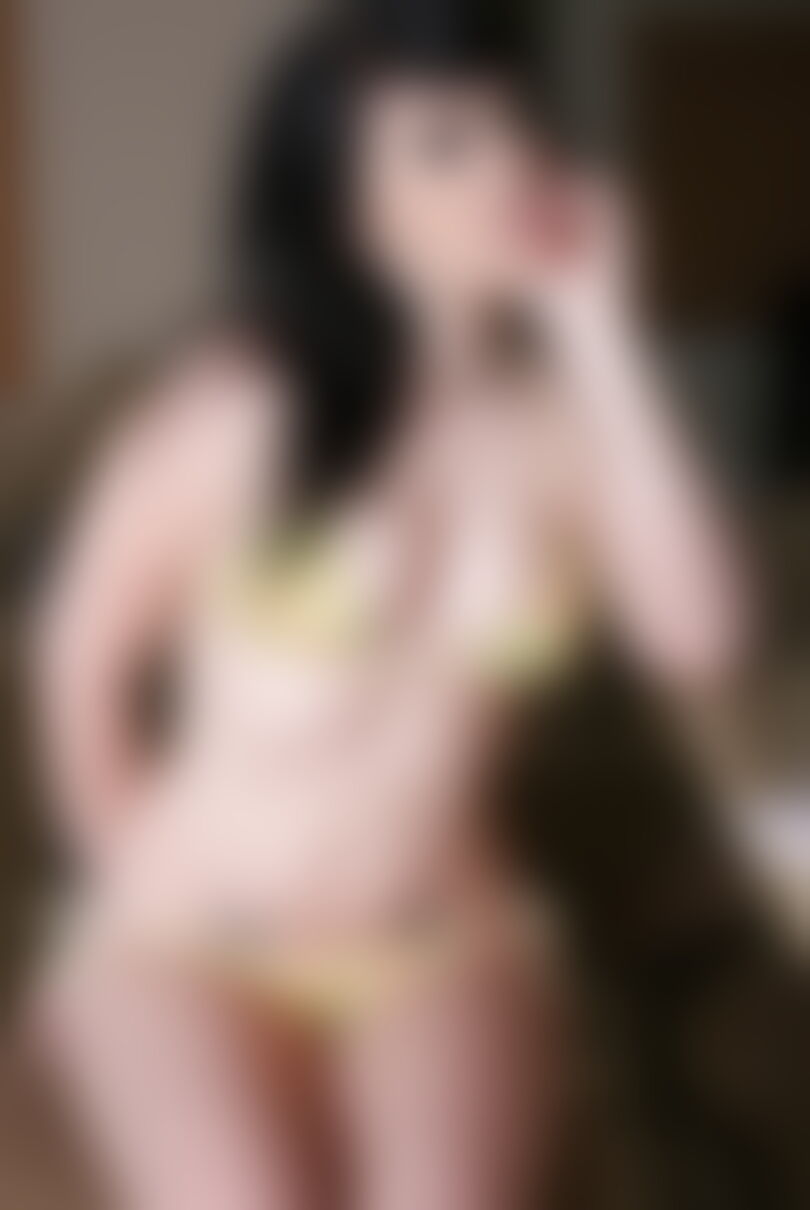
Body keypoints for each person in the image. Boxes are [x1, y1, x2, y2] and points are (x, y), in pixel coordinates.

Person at [28, 3, 748, 1207]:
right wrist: (127, 856)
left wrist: (599, 332)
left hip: (442, 942)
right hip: (187, 942)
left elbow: (703, 642)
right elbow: (78, 653)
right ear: (348, 207)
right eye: (448, 144)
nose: (510, 164)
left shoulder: (558, 432)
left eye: (514, 124)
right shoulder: (236, 411)